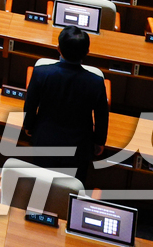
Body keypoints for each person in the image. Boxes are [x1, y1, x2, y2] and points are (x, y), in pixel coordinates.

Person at [22, 26, 110, 181]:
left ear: (58, 49)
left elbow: (30, 105)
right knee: (70, 190)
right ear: (87, 53)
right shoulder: (96, 82)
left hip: (44, 143)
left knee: (42, 187)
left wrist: (28, 126)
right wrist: (99, 141)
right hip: (79, 149)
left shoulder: (41, 73)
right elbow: (102, 115)